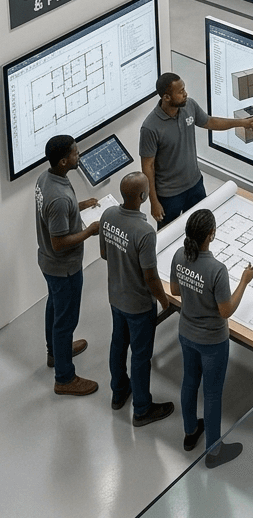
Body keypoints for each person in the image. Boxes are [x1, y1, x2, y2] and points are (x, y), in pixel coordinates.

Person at [169, 208, 253, 467]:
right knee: (213, 394)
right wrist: (244, 281)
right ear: (211, 234)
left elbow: (174, 290)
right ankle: (214, 452)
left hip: (186, 333)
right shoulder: (217, 269)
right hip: (212, 342)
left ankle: (189, 432)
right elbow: (226, 310)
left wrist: (194, 296)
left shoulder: (178, 255)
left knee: (189, 383)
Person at [99, 173, 174, 425]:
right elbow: (151, 276)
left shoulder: (107, 215)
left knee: (118, 345)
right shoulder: (144, 231)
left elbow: (104, 253)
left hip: (115, 297)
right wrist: (164, 300)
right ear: (143, 197)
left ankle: (119, 393)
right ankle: (142, 409)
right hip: (139, 305)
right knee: (141, 356)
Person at [139, 73, 253, 228]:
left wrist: (241, 123)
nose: (185, 94)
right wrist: (154, 202)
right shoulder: (150, 127)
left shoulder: (189, 106)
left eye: (184, 89)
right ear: (166, 97)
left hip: (195, 185)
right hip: (169, 195)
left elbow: (211, 122)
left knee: (202, 228)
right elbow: (147, 167)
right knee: (169, 236)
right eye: (180, 91)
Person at [35, 134, 100, 396]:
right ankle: (64, 378)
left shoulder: (46, 178)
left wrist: (81, 206)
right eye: (75, 153)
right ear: (63, 161)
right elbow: (60, 242)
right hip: (64, 267)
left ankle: (54, 352)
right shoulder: (59, 198)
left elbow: (60, 213)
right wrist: (90, 231)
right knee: (65, 321)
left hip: (48, 264)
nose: (79, 155)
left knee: (55, 307)